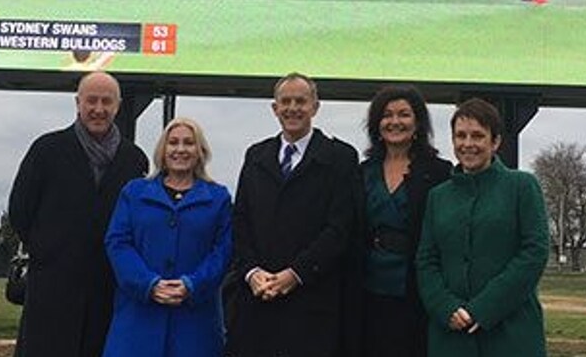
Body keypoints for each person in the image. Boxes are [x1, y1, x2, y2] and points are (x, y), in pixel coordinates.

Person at [8, 71, 150, 357]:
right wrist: (49, 249)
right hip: (52, 288)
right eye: (92, 101)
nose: (99, 109)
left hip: (109, 288)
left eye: (107, 102)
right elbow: (20, 210)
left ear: (118, 106)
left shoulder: (133, 159)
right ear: (78, 103)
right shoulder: (46, 149)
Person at [227, 72, 363, 357]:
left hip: (312, 303)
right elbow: (241, 222)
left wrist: (295, 274)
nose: (292, 108)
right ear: (274, 108)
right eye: (285, 102)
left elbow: (340, 228)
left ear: (315, 107)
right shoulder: (256, 155)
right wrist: (252, 273)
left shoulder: (340, 157)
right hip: (257, 303)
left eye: (300, 101)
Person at [415, 98, 550, 357]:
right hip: (451, 336)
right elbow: (426, 260)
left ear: (495, 141)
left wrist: (483, 309)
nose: (468, 144)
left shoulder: (522, 186)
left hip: (512, 334)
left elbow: (534, 253)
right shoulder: (438, 196)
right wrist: (446, 308)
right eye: (460, 136)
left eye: (477, 136)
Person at [102, 117, 233, 357]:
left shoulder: (219, 198)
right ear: (163, 149)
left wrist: (192, 284)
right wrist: (147, 283)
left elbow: (223, 251)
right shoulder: (134, 193)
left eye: (188, 143)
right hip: (137, 322)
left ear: (200, 151)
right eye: (173, 143)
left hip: (195, 327)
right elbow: (118, 243)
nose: (180, 149)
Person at [360, 85, 453, 357]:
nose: (395, 122)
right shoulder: (361, 173)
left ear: (417, 124)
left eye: (404, 115)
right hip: (367, 292)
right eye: (387, 115)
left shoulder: (439, 173)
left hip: (416, 293)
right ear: (377, 124)